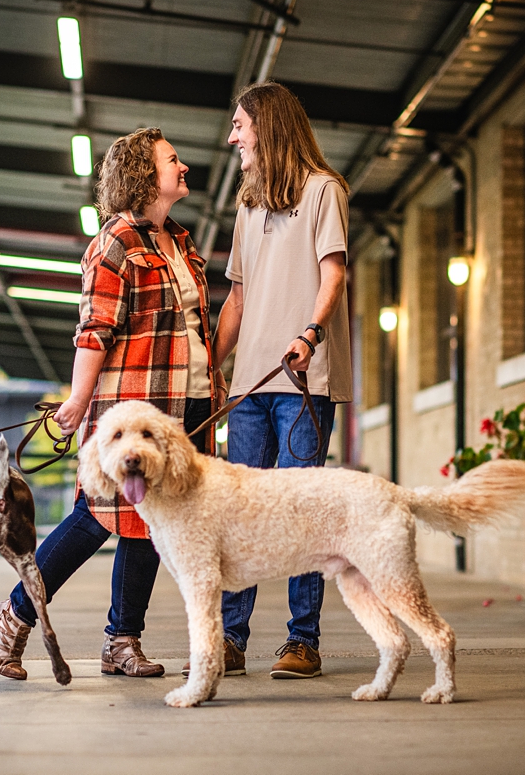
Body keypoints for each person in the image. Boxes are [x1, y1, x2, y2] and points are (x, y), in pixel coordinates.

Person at [0, 127, 219, 679]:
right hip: (130, 409)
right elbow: (94, 330)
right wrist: (77, 399)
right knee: (95, 517)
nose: (184, 167)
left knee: (149, 518)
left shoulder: (178, 242)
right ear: (143, 173)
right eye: (173, 160)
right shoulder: (113, 243)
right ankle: (12, 617)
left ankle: (121, 640)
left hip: (184, 409)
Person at [209, 81, 352, 679]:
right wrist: (211, 367)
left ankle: (303, 641)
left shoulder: (325, 191)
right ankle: (231, 639)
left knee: (299, 510)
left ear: (267, 126)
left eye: (241, 124)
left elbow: (333, 274)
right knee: (239, 513)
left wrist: (310, 334)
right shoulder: (246, 206)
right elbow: (236, 297)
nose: (234, 136)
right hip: (249, 387)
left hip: (302, 382)